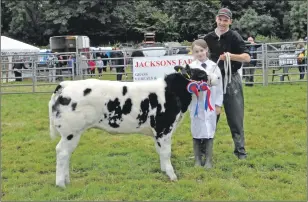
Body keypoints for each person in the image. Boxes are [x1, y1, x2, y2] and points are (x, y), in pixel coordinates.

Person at [204, 8, 251, 160]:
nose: (223, 23)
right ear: (216, 19)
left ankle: (240, 151)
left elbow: (246, 57)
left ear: (230, 21)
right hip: (212, 81)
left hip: (231, 79)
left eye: (226, 20)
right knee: (210, 116)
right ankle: (205, 150)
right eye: (220, 19)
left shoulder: (235, 36)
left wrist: (232, 56)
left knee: (235, 116)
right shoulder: (208, 38)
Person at [189, 39, 223, 168]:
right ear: (193, 53)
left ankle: (208, 160)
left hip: (210, 103)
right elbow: (187, 86)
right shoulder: (191, 67)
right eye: (196, 51)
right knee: (196, 129)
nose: (199, 53)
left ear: (206, 50)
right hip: (196, 103)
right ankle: (197, 159)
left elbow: (219, 87)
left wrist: (218, 104)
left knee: (210, 129)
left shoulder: (214, 66)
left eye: (201, 50)